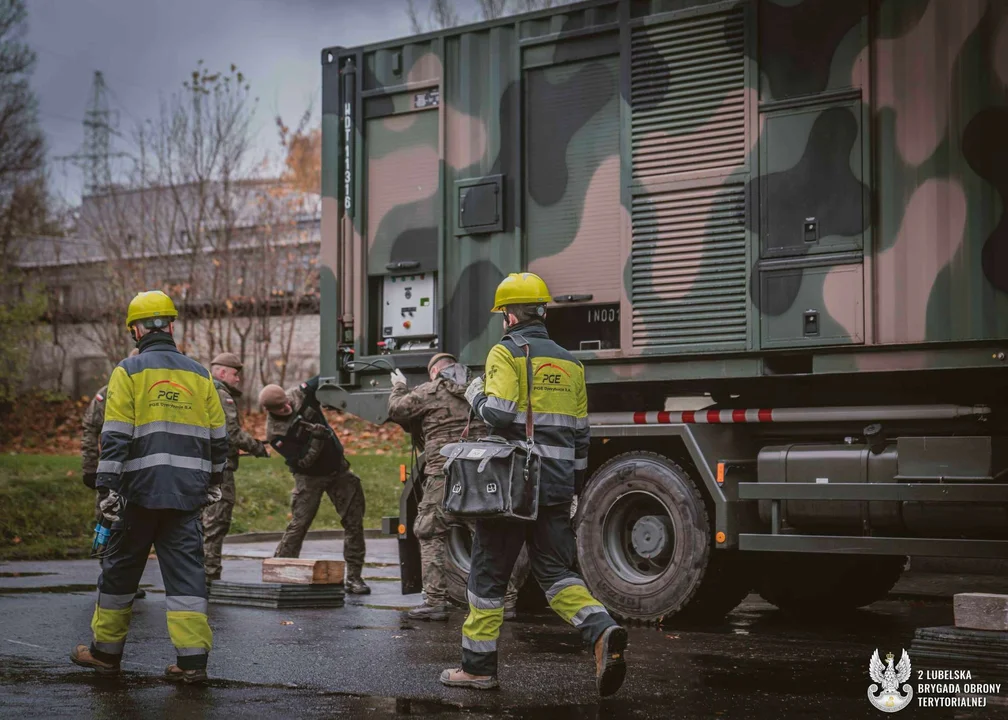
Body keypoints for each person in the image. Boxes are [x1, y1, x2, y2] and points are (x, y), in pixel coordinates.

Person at [439, 272, 628, 697]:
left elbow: (501, 414)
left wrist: (474, 394)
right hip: (558, 487)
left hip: (512, 489)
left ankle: (478, 669)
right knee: (557, 572)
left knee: (488, 578)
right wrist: (574, 488)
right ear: (541, 311)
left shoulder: (505, 354)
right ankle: (601, 630)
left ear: (508, 314)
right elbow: (581, 434)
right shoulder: (569, 361)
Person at [70, 290, 228, 685]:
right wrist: (214, 481)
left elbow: (117, 435)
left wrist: (107, 487)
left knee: (120, 573)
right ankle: (192, 664)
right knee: (188, 577)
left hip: (136, 495)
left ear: (135, 330)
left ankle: (105, 655)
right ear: (171, 326)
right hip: (186, 495)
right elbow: (218, 437)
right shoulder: (200, 374)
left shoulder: (129, 371)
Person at [386, 353, 530, 622]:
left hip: (444, 473)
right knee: (491, 536)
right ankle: (507, 600)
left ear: (435, 372)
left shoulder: (428, 392)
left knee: (430, 532)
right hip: (479, 473)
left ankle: (435, 601)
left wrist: (399, 385)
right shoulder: (479, 389)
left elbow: (396, 410)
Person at [259, 376, 370, 595]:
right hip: (309, 478)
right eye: (280, 408)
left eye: (286, 403)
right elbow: (302, 462)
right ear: (270, 410)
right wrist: (317, 440)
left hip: (338, 470)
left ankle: (355, 578)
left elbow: (324, 377)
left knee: (354, 522)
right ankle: (281, 570)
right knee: (299, 524)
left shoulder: (298, 395)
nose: (286, 407)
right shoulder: (276, 432)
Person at [81, 348, 146, 600]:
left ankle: (124, 580)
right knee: (107, 520)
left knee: (134, 527)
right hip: (112, 470)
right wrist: (89, 467)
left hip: (140, 472)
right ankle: (108, 577)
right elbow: (90, 430)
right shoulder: (107, 394)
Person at [202, 352, 271, 588]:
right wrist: (257, 447)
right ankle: (209, 577)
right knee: (216, 522)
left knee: (200, 523)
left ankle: (195, 574)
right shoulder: (222, 394)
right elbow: (231, 433)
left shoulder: (201, 389)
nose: (238, 379)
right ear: (222, 372)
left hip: (199, 467)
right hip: (219, 470)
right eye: (235, 374)